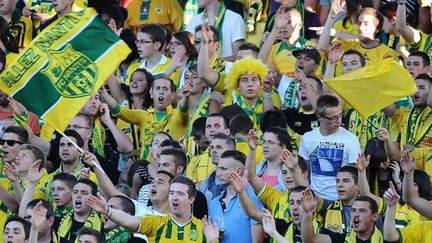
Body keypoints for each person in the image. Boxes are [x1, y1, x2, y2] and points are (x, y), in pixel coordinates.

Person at [87, 176, 208, 242]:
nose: (174, 198)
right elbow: (128, 220)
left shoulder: (203, 228)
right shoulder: (157, 222)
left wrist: (212, 240)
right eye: (172, 193)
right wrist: (107, 210)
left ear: (191, 199)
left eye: (180, 194)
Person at [102, 75, 188, 161]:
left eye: (165, 89)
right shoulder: (144, 116)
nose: (161, 92)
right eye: (158, 88)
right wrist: (103, 92)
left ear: (172, 95)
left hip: (170, 169)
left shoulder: (177, 115)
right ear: (151, 93)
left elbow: (183, 109)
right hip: (145, 170)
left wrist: (185, 97)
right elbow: (120, 111)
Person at [299, 95, 361, 200]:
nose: (338, 121)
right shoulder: (307, 138)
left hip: (340, 199)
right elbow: (305, 171)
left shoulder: (351, 139)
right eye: (333, 118)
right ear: (319, 117)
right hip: (315, 198)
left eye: (340, 115)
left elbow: (356, 175)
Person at [319, 7, 398, 76]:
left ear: (377, 29)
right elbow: (323, 47)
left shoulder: (388, 53)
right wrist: (332, 15)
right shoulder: (347, 45)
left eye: (366, 24)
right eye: (359, 23)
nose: (360, 28)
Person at [209, 150, 265, 242]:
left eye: (223, 169)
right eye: (217, 168)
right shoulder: (213, 203)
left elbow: (258, 241)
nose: (218, 173)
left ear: (237, 171)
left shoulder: (253, 199)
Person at [34, 130, 97, 203]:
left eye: (70, 144)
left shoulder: (92, 178)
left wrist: (85, 184)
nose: (65, 148)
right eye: (62, 145)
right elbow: (31, 204)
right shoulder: (46, 180)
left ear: (80, 151)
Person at [301, 190, 384, 243]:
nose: (356, 214)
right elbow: (309, 240)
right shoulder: (341, 239)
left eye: (362, 211)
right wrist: (307, 213)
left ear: (375, 216)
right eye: (354, 210)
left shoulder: (385, 240)